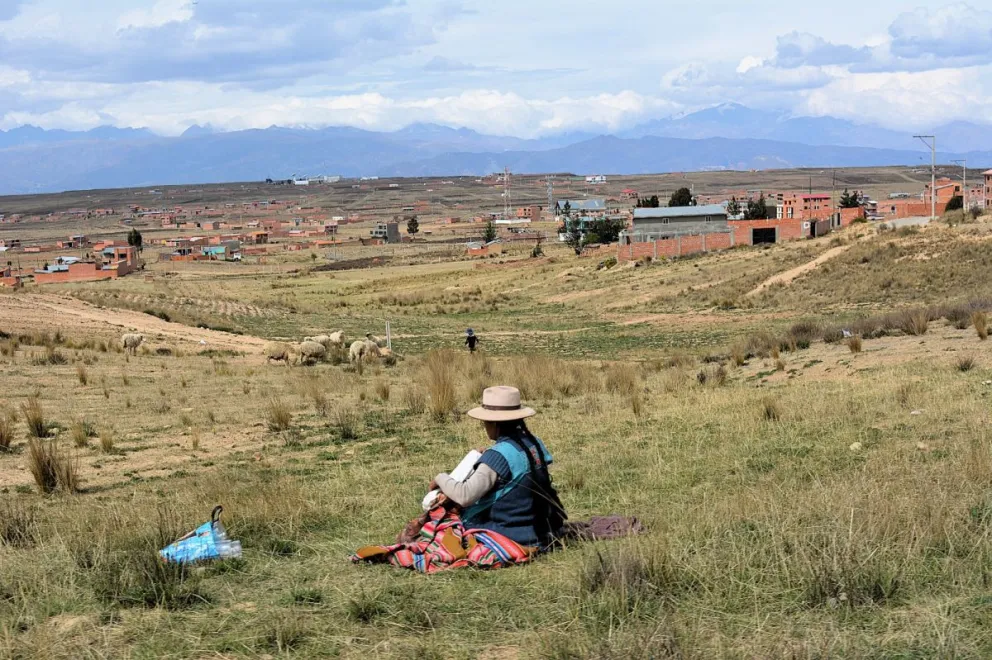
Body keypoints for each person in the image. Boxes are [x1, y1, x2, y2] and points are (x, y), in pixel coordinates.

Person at [430, 386, 566, 551]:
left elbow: (464, 495)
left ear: (494, 423)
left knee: (450, 520)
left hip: (513, 532)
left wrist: (440, 478)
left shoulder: (497, 456)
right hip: (543, 527)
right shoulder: (534, 443)